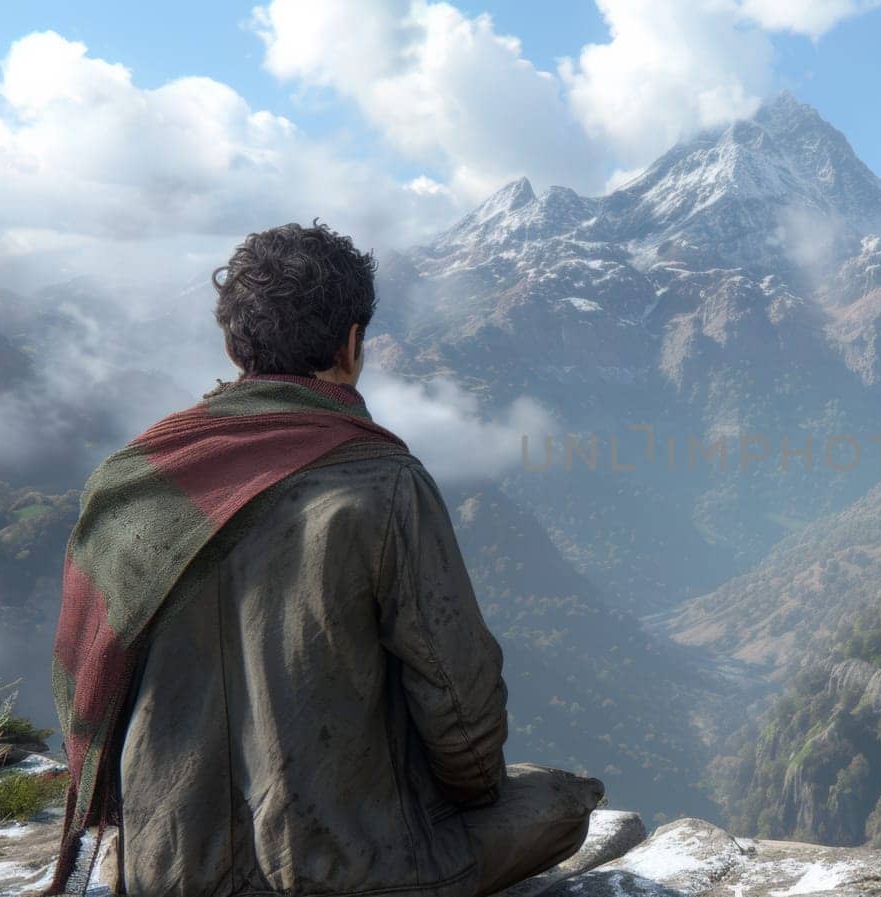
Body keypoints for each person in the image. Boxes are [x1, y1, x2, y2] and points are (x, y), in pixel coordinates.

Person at [49, 222, 602, 896]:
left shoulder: (129, 481)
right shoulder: (384, 483)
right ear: (351, 342)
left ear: (232, 343)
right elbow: (460, 707)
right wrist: (465, 793)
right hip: (348, 873)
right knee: (562, 802)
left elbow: (83, 677)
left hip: (165, 871)